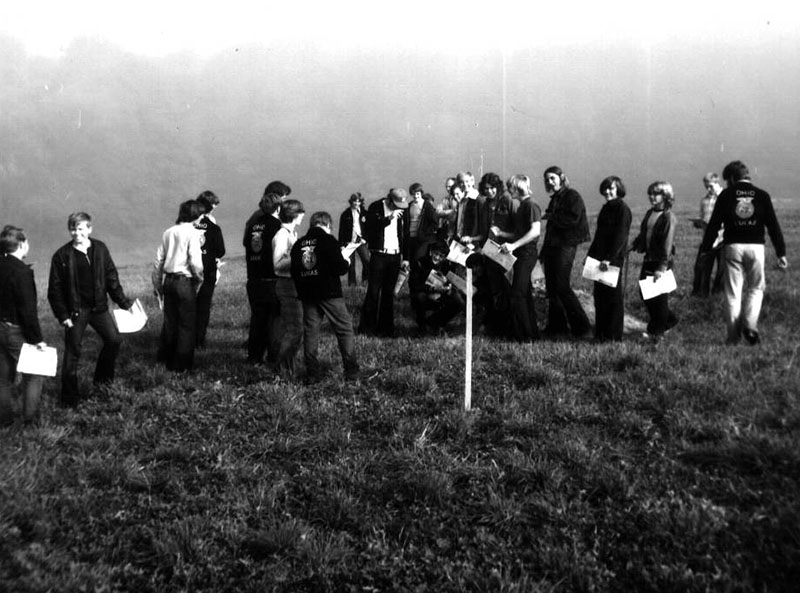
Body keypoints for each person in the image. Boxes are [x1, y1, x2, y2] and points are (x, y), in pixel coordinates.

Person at [48, 212, 133, 406]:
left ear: (89, 229)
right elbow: (55, 290)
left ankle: (103, 383)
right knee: (73, 351)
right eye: (72, 229)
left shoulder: (100, 249)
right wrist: (63, 316)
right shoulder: (61, 256)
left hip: (99, 308)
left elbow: (111, 278)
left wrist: (124, 302)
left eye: (80, 229)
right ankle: (69, 399)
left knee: (113, 340)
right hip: (75, 312)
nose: (76, 233)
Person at [700, 160, 788, 345]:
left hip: (732, 247)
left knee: (733, 293)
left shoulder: (725, 195)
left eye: (727, 180)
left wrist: (705, 249)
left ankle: (733, 338)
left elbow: (714, 225)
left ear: (731, 178)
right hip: (756, 248)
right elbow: (773, 226)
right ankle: (750, 324)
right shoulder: (762, 195)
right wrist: (781, 252)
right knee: (756, 288)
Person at [291, 211, 360, 382]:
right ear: (328, 225)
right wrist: (347, 262)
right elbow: (340, 268)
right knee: (344, 329)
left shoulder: (298, 244)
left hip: (307, 294)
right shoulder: (328, 240)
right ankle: (351, 371)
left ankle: (312, 373)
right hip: (329, 293)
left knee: (311, 332)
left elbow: (294, 271)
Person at [0, 226, 47, 425]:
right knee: (34, 374)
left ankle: (3, 420)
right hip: (16, 330)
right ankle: (31, 421)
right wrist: (38, 340)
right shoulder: (23, 272)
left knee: (3, 377)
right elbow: (28, 312)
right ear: (21, 245)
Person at [540, 166, 592, 339]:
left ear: (562, 178)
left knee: (561, 286)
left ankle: (582, 328)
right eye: (547, 179)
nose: (549, 182)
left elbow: (573, 220)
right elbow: (551, 229)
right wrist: (543, 252)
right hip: (553, 247)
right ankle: (557, 328)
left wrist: (551, 216)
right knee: (552, 287)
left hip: (566, 246)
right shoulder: (555, 199)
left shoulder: (572, 196)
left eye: (552, 178)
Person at [152, 200, 204, 372]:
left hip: (169, 280)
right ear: (196, 215)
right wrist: (199, 278)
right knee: (187, 324)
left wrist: (157, 284)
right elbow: (195, 261)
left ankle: (165, 359)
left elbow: (158, 260)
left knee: (170, 322)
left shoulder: (168, 232)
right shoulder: (193, 233)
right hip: (184, 281)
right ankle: (181, 365)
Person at [631, 181, 679, 342]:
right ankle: (669, 320)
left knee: (658, 297)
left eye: (655, 194)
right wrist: (633, 245)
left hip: (660, 262)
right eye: (650, 194)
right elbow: (643, 234)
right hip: (649, 258)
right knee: (645, 293)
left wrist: (662, 267)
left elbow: (667, 243)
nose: (651, 197)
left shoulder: (669, 217)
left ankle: (656, 332)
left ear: (665, 196)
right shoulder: (650, 213)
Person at [586, 176, 632, 342]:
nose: (607, 191)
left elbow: (620, 237)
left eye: (611, 188)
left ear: (619, 189)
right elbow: (598, 236)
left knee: (612, 299)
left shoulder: (623, 210)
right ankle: (601, 334)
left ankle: (613, 336)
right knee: (600, 297)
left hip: (611, 260)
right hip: (599, 259)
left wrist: (609, 259)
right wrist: (589, 256)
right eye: (605, 188)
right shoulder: (606, 208)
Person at [359, 188, 409, 337]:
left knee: (388, 293)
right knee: (373, 291)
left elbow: (405, 235)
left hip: (395, 256)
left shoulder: (402, 211)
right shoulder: (375, 207)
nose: (399, 209)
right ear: (389, 199)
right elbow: (370, 228)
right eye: (396, 205)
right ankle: (367, 329)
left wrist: (405, 257)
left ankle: (386, 329)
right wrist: (389, 218)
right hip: (379, 255)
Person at [500, 175, 542, 342]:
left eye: (511, 188)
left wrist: (513, 246)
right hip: (521, 253)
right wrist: (503, 235)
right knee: (523, 294)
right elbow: (520, 233)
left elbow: (535, 231)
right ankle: (531, 334)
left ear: (517, 188)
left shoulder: (531, 205)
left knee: (518, 294)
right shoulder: (523, 206)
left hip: (527, 254)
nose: (509, 191)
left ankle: (526, 337)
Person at [243, 191, 283, 364]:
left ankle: (254, 356)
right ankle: (274, 357)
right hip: (271, 279)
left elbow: (247, 244)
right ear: (278, 207)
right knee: (274, 320)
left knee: (257, 319)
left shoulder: (253, 225)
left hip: (253, 278)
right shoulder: (277, 226)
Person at [480, 172, 518, 336]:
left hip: (506, 251)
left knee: (507, 289)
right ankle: (495, 326)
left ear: (498, 187)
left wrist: (502, 234)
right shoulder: (485, 205)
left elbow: (518, 230)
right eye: (486, 188)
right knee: (493, 288)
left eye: (492, 188)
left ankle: (509, 326)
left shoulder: (508, 200)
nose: (489, 191)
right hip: (489, 250)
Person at [272, 199, 306, 377]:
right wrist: (298, 257)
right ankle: (283, 370)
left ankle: (286, 368)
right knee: (295, 329)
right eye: (301, 212)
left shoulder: (291, 233)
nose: (303, 215)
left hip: (293, 284)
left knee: (292, 328)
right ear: (294, 215)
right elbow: (277, 265)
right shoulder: (282, 235)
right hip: (287, 285)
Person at [408, 241, 465, 334]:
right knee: (420, 297)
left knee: (458, 300)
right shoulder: (420, 263)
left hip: (441, 293)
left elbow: (451, 281)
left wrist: (448, 287)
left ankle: (436, 322)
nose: (437, 258)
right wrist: (432, 289)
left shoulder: (447, 266)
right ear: (431, 252)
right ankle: (422, 326)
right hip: (424, 293)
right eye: (436, 254)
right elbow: (414, 285)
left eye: (441, 256)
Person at [194, 190, 226, 348]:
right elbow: (221, 251)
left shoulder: (187, 225)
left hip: (189, 272)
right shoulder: (214, 227)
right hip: (208, 271)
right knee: (203, 307)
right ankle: (199, 340)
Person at [691, 173, 725, 297]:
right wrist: (699, 223)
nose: (708, 189)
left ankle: (717, 294)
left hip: (722, 239)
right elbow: (703, 215)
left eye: (710, 186)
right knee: (702, 268)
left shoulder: (725, 197)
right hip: (707, 238)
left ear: (717, 183)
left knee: (722, 270)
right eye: (706, 187)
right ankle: (701, 294)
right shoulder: (704, 200)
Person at [338, 192, 370, 286]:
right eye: (354, 201)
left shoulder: (365, 213)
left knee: (366, 261)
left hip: (361, 241)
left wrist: (366, 239)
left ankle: (366, 281)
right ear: (351, 202)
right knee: (351, 265)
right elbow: (341, 230)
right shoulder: (345, 214)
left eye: (358, 201)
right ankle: (352, 285)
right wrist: (341, 245)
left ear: (361, 202)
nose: (356, 203)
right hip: (349, 242)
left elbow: (369, 228)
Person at [406, 182, 439, 264]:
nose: (416, 196)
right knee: (409, 262)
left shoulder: (427, 205)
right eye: (413, 194)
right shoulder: (409, 205)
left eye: (417, 193)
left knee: (418, 261)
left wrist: (424, 233)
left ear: (421, 193)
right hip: (410, 238)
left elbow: (434, 223)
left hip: (421, 240)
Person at [436, 176, 458, 241]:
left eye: (450, 186)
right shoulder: (445, 199)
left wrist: (444, 213)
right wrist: (451, 211)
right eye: (446, 187)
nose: (448, 189)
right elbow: (437, 211)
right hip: (447, 231)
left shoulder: (459, 198)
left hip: (457, 231)